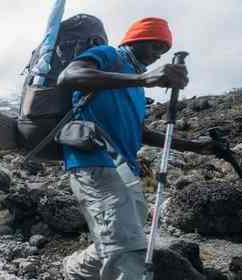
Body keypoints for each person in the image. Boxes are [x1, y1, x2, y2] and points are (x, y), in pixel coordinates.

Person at [57, 17, 218, 279]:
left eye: (163, 51)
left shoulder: (137, 89)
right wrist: (142, 78)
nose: (158, 56)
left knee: (121, 239)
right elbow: (68, 76)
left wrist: (197, 147)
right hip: (92, 161)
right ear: (137, 39)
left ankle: (73, 269)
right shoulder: (108, 55)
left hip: (125, 167)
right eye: (155, 46)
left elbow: (140, 133)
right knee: (128, 250)